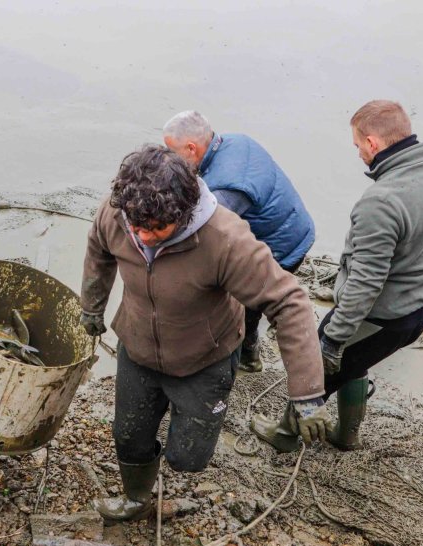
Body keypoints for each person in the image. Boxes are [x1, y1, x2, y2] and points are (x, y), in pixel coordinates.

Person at [80, 145, 330, 521]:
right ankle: (136, 499)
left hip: (205, 358)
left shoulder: (226, 239)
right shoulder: (118, 213)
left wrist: (307, 395)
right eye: (137, 226)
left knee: (188, 457)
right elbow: (98, 250)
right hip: (139, 346)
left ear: (183, 214)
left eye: (156, 229)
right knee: (129, 437)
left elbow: (289, 302)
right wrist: (91, 308)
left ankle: (181, 459)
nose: (144, 236)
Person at [252, 100, 423, 452]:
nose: (358, 152)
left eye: (358, 144)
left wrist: (333, 339)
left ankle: (285, 435)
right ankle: (346, 436)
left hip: (380, 316)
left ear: (374, 143)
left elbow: (365, 284)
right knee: (357, 362)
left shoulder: (381, 202)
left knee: (317, 365)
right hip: (420, 308)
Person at [163, 112, 315, 372]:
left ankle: (240, 360)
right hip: (296, 227)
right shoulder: (234, 141)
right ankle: (249, 353)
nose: (168, 159)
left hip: (281, 248)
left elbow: (202, 235)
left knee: (236, 310)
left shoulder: (227, 188)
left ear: (191, 148)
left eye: (171, 152)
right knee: (249, 308)